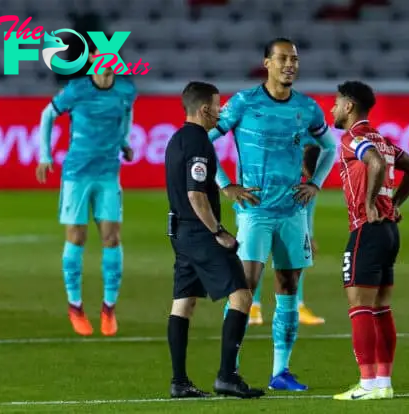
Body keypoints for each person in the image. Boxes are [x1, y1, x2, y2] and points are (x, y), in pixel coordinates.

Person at [208, 38, 337, 391]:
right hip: (255, 212)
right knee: (244, 289)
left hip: (292, 211)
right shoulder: (244, 103)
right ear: (267, 63)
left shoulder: (308, 108)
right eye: (282, 59)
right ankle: (229, 370)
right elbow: (203, 140)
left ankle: (281, 371)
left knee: (289, 286)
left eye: (294, 59)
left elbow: (330, 146)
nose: (289, 65)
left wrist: (316, 184)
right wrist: (225, 185)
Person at [164, 81, 264, 399]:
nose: (220, 111)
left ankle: (179, 382)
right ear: (205, 108)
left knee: (183, 304)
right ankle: (227, 376)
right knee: (241, 297)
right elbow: (196, 194)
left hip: (179, 232)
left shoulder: (176, 139)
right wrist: (218, 232)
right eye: (218, 106)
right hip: (199, 232)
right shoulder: (199, 142)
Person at [329, 81, 409, 400]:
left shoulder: (352, 138)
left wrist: (370, 202)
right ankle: (383, 383)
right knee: (381, 307)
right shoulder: (382, 140)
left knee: (360, 307)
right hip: (389, 232)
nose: (332, 108)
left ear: (349, 107)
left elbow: (375, 163)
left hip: (366, 229)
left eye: (336, 103)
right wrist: (394, 203)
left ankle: (367, 383)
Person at [36, 44, 136, 337]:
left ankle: (108, 308)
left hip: (108, 173)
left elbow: (127, 115)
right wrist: (45, 155)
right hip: (77, 174)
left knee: (111, 237)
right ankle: (75, 305)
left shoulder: (125, 90)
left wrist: (125, 142)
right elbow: (47, 115)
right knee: (76, 236)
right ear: (93, 59)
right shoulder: (77, 90)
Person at [249, 143, 326, 326]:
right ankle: (252, 307)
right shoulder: (272, 168)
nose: (309, 178)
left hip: (291, 220)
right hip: (262, 216)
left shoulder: (311, 176)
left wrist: (309, 234)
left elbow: (308, 207)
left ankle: (297, 307)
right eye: (308, 173)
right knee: (256, 260)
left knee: (297, 257)